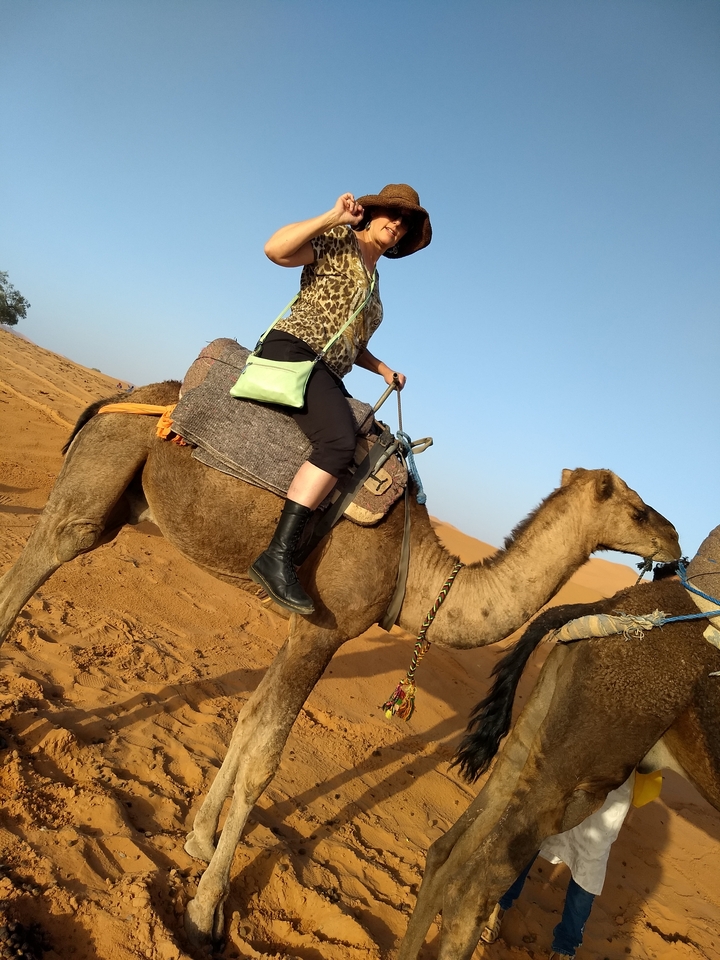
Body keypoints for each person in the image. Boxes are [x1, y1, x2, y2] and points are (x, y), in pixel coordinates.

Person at [247, 184, 432, 615]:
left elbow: (352, 341)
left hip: (327, 369)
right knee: (338, 442)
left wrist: (383, 369)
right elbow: (275, 249)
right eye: (394, 214)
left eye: (406, 223)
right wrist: (332, 217)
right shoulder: (339, 241)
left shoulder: (376, 286)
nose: (399, 225)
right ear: (373, 214)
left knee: (368, 440)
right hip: (295, 350)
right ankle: (276, 556)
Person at [481, 773, 648, 959]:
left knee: (591, 859)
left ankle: (565, 947)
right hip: (574, 768)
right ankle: (500, 903)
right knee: (538, 828)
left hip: (615, 787)